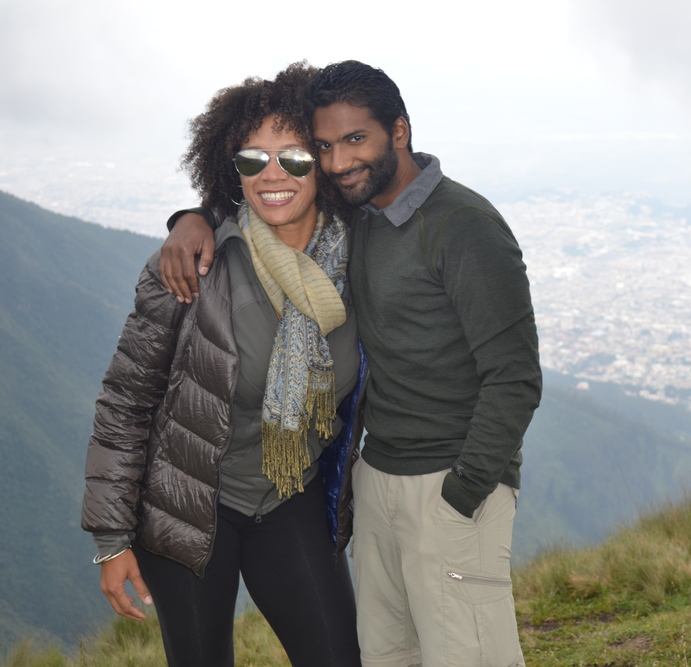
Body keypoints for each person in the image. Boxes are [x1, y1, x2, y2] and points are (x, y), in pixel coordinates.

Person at [161, 60, 543, 667]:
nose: (339, 162)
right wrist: (194, 218)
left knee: (469, 655)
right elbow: (262, 210)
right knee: (387, 655)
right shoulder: (355, 220)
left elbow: (516, 377)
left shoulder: (462, 225)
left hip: (448, 483)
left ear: (400, 131)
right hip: (374, 483)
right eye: (326, 147)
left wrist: (465, 491)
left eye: (355, 140)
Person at [81, 63, 363, 667]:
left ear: (324, 161)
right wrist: (110, 542)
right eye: (252, 159)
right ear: (229, 169)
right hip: (188, 505)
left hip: (289, 496)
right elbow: (125, 404)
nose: (273, 175)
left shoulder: (360, 261)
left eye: (294, 156)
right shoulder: (193, 267)